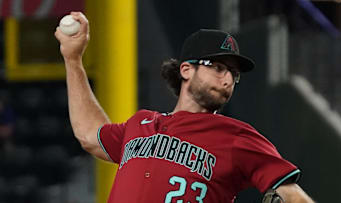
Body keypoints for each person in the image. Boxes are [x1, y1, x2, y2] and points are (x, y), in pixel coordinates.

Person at [55, 12, 314, 203]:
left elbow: (293, 195)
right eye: (218, 67)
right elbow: (89, 134)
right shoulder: (141, 124)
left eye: (233, 74)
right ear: (186, 69)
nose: (226, 79)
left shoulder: (237, 137)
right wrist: (72, 58)